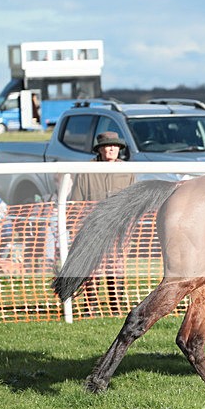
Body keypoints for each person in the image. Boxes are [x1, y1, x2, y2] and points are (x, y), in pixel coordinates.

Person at [70, 131, 136, 314]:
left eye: (116, 146)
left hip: (119, 229)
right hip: (92, 229)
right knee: (93, 268)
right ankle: (90, 307)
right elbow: (76, 203)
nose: (112, 149)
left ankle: (116, 307)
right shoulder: (86, 171)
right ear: (100, 149)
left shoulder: (127, 170)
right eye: (108, 145)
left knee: (116, 267)